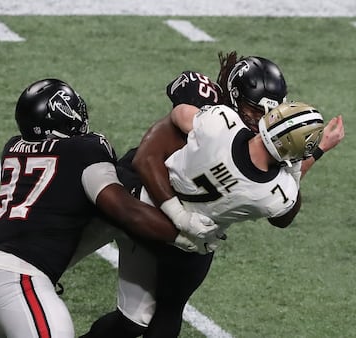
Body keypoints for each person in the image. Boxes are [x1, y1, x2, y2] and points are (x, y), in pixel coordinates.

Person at [80, 54, 344, 338]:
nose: (259, 120)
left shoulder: (221, 121)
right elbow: (148, 158)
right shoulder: (219, 118)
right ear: (234, 96)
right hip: (151, 200)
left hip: (169, 215)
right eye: (254, 110)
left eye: (267, 113)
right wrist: (310, 153)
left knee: (142, 318)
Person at [0, 78, 218, 338]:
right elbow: (123, 210)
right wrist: (181, 231)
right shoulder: (86, 150)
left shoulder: (13, 147)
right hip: (20, 281)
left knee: (139, 316)